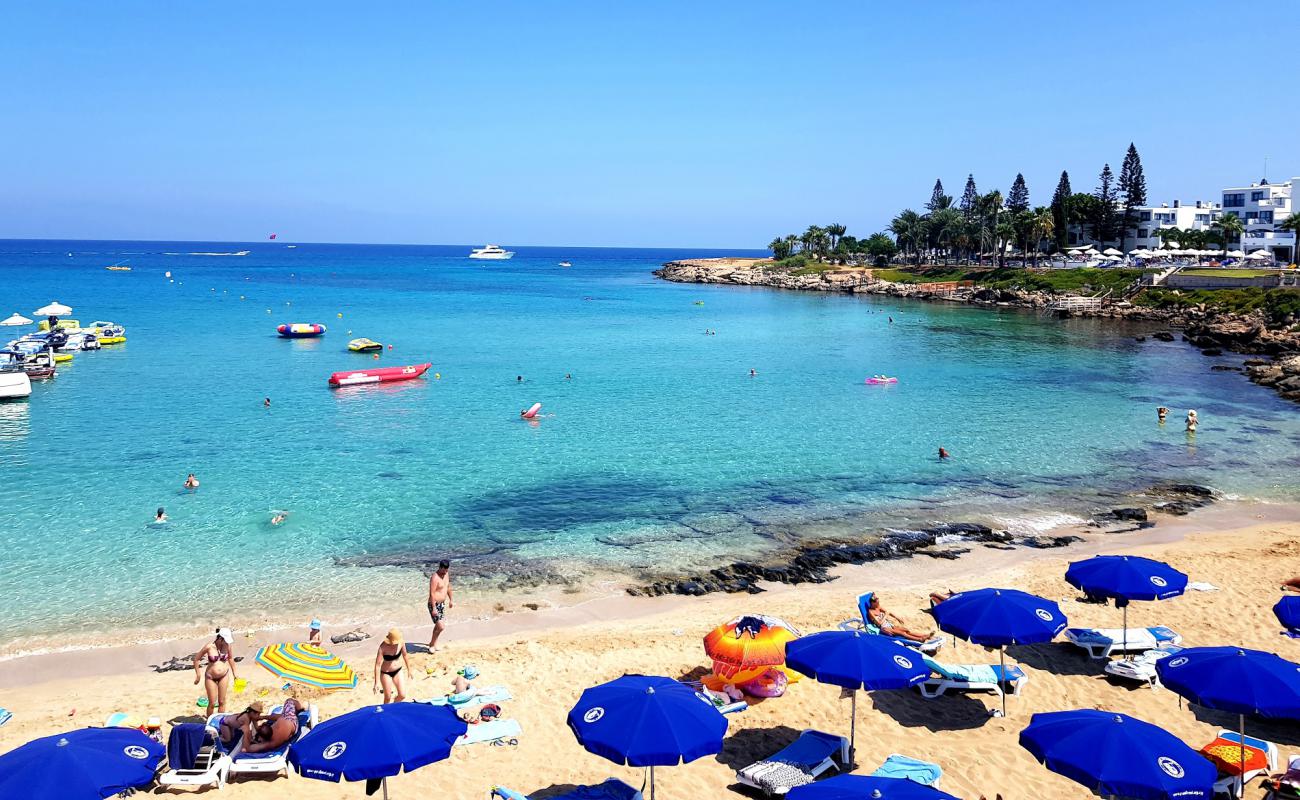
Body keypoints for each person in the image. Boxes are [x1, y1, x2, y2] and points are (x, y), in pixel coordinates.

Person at [193, 628, 237, 715]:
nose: (227, 642)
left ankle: (219, 721)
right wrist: (198, 675)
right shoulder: (209, 647)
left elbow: (231, 658)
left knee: (222, 701)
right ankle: (209, 721)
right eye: (225, 640)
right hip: (210, 677)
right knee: (212, 703)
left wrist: (235, 674)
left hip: (224, 676)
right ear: (220, 639)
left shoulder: (228, 646)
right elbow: (196, 659)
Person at [866, 595, 934, 643]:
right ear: (872, 603)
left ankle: (925, 636)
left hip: (889, 625)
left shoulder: (877, 607)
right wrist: (885, 615)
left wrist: (897, 618)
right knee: (902, 633)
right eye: (877, 603)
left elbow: (889, 613)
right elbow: (879, 623)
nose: (879, 604)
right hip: (884, 629)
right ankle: (920, 639)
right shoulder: (870, 612)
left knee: (907, 630)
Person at [373, 629, 411, 703]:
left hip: (398, 670)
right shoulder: (383, 647)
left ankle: (394, 706)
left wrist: (409, 670)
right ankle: (386, 711)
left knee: (402, 695)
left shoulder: (401, 643)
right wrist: (376, 683)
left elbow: (405, 655)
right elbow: (377, 665)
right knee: (387, 697)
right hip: (385, 673)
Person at [427, 560, 453, 651]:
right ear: (440, 567)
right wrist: (434, 608)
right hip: (433, 605)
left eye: (447, 570)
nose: (446, 572)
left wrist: (451, 600)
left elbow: (448, 587)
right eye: (444, 570)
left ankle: (434, 643)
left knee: (438, 626)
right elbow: (432, 594)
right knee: (441, 627)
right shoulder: (434, 578)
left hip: (442, 604)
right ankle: (431, 645)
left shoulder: (446, 574)